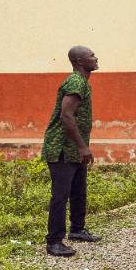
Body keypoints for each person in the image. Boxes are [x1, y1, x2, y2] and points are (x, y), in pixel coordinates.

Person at [41, 45, 101, 258]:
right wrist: (83, 147)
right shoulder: (76, 81)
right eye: (91, 55)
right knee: (61, 194)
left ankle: (77, 229)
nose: (95, 58)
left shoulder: (82, 82)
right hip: (62, 148)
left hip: (74, 147)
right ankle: (54, 241)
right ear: (79, 61)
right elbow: (67, 115)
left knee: (78, 189)